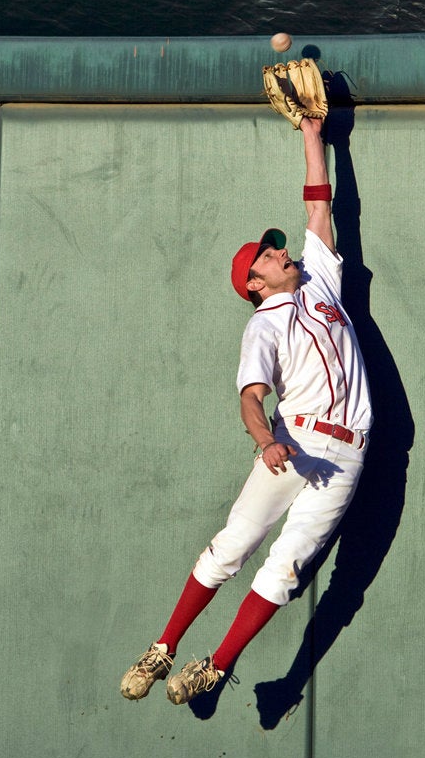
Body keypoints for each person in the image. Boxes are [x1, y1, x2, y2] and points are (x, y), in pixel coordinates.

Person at [120, 115, 372, 706]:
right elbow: (250, 398)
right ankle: (163, 648)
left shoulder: (319, 284)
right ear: (254, 283)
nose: (279, 251)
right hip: (293, 445)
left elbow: (318, 207)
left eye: (274, 248)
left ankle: (217, 666)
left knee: (284, 570)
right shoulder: (262, 325)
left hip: (346, 455)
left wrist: (313, 134)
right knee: (233, 545)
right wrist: (265, 441)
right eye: (266, 254)